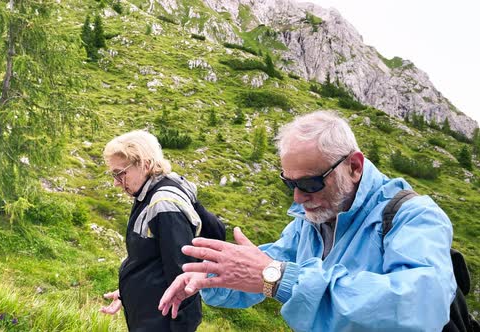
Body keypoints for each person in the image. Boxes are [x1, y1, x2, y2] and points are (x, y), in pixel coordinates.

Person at [159, 111, 456, 331]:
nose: (298, 198)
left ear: (354, 166)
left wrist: (280, 279)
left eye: (312, 183)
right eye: (290, 184)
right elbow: (264, 269)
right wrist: (210, 278)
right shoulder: (308, 222)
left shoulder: (414, 216)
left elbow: (420, 306)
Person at [100, 130, 202, 331]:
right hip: (149, 314)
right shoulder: (147, 192)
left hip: (161, 322)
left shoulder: (164, 204)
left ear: (145, 164)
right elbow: (151, 260)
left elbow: (184, 277)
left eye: (120, 173)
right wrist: (125, 292)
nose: (115, 182)